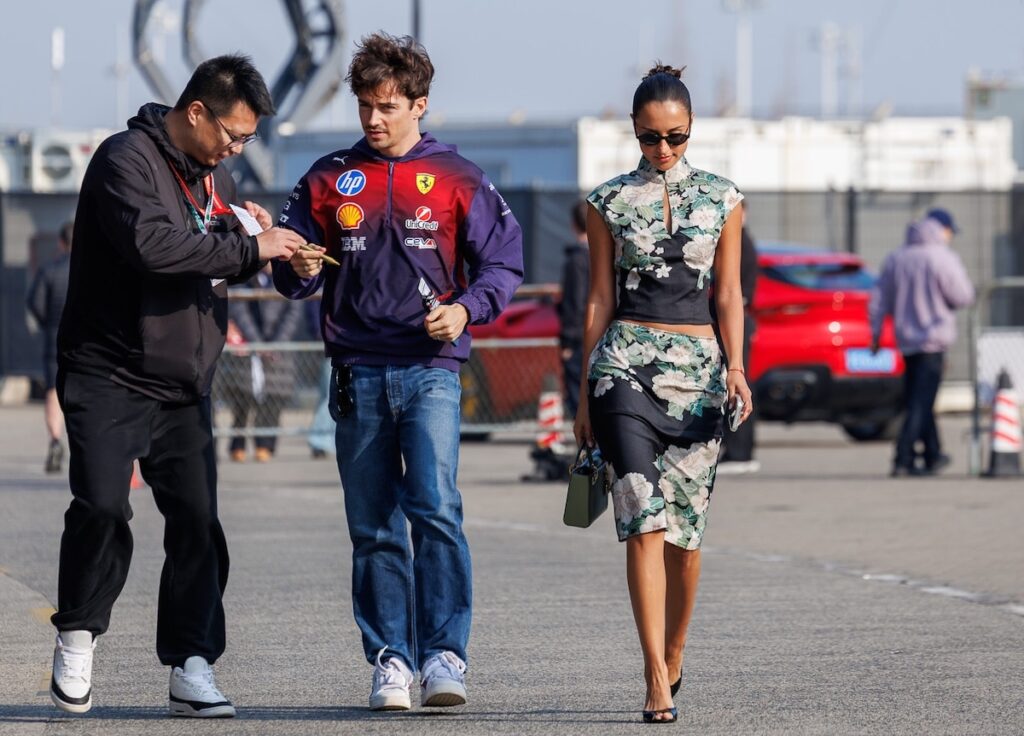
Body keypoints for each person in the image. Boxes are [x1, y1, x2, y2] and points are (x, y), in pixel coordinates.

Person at [272, 33, 523, 712]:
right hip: (356, 371)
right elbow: (292, 273)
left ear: (419, 104)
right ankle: (391, 659)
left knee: (435, 509)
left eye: (387, 106)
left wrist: (465, 310)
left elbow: (504, 263)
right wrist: (296, 265)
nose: (373, 118)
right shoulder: (327, 176)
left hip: (431, 370)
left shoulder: (459, 176)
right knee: (373, 524)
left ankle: (444, 655)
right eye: (364, 105)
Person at [49, 55, 304, 717]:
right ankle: (77, 634)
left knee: (197, 524)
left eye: (247, 139)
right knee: (103, 507)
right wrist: (250, 247)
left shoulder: (216, 175)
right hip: (108, 371)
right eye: (233, 134)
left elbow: (214, 253)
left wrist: (257, 238)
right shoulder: (124, 160)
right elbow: (155, 248)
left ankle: (192, 664)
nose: (236, 148)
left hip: (184, 383)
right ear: (196, 111)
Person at [574, 64, 752, 724]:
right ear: (634, 131)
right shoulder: (607, 202)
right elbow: (598, 298)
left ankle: (675, 652)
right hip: (623, 370)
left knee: (685, 540)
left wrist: (738, 368)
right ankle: (654, 676)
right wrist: (583, 391)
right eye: (650, 137)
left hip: (699, 377)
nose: (663, 149)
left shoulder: (724, 198)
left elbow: (729, 294)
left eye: (675, 136)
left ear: (692, 128)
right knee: (642, 521)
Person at [869, 208, 974, 477]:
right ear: (942, 230)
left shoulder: (897, 258)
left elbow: (879, 300)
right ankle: (903, 457)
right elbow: (963, 296)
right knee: (920, 403)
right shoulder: (942, 258)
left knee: (919, 398)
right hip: (933, 339)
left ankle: (932, 454)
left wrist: (876, 334)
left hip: (906, 341)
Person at [223, 264, 304, 462]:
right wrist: (257, 343)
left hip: (279, 350)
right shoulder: (245, 278)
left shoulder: (288, 278)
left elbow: (293, 313)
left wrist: (276, 344)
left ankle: (265, 444)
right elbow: (239, 310)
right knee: (242, 398)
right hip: (248, 348)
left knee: (274, 400)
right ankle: (238, 444)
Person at [26, 220, 74, 473]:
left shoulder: (49, 270)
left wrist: (48, 323)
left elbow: (35, 303)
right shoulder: (90, 270)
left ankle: (55, 440)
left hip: (54, 338)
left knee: (53, 392)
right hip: (85, 339)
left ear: (60, 242)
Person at [716, 209, 759, 474]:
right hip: (735, 319)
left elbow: (733, 290)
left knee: (737, 384)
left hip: (734, 321)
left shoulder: (740, 242)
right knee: (734, 385)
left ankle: (740, 451)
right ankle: (737, 449)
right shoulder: (743, 241)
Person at [558, 200, 591, 419]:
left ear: (573, 225)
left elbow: (575, 303)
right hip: (603, 334)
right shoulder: (606, 256)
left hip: (579, 338)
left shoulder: (576, 260)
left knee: (577, 396)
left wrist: (568, 342)